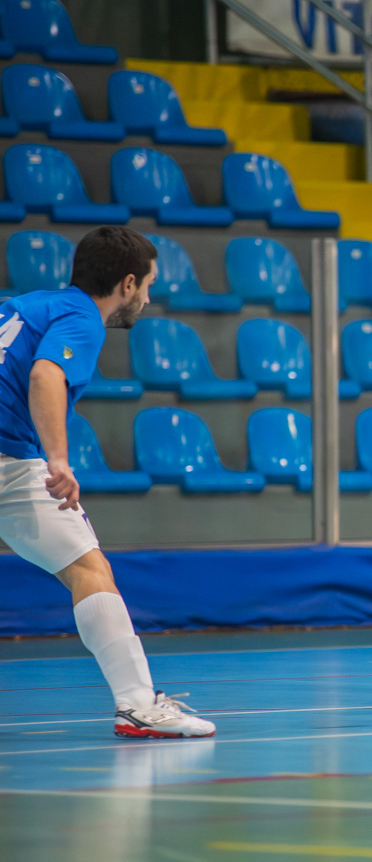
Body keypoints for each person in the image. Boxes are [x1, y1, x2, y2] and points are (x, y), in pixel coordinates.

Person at [1, 226, 214, 738]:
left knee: (87, 568)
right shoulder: (81, 317)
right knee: (88, 570)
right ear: (127, 283)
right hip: (11, 460)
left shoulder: (22, 306)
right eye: (148, 285)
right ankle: (138, 706)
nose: (148, 298)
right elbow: (46, 375)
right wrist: (59, 460)